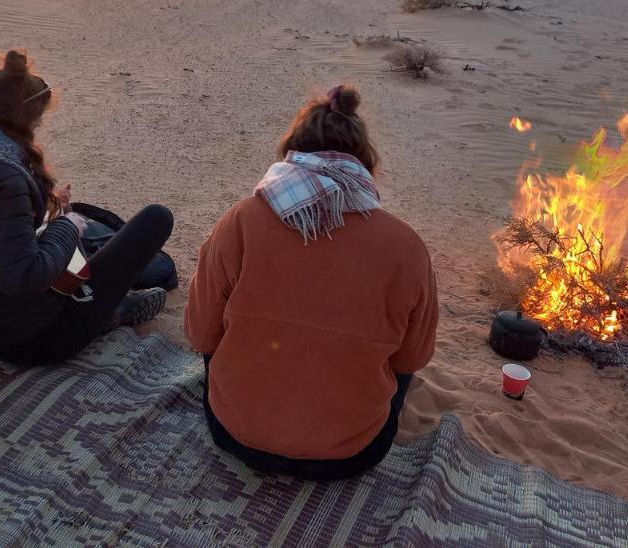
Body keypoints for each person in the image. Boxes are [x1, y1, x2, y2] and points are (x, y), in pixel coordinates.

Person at [184, 85, 438, 480]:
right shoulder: (406, 245)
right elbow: (413, 358)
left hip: (233, 434)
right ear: (363, 163)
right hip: (351, 454)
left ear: (293, 154)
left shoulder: (242, 220)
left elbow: (200, 335)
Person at [0, 49, 174, 365]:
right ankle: (108, 313)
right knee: (156, 219)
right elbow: (24, 278)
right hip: (35, 340)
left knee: (75, 229)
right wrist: (67, 225)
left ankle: (105, 304)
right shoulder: (3, 182)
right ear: (17, 121)